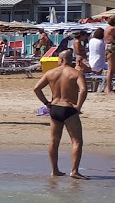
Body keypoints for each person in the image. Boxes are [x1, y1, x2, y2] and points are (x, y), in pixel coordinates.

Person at [32, 48, 89, 179]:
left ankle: (55, 170)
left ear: (61, 59)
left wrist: (47, 103)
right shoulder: (76, 73)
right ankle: (74, 171)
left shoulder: (50, 73)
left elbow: (36, 88)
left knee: (54, 141)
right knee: (76, 141)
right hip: (69, 108)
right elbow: (83, 90)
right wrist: (78, 106)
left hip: (55, 108)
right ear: (71, 60)